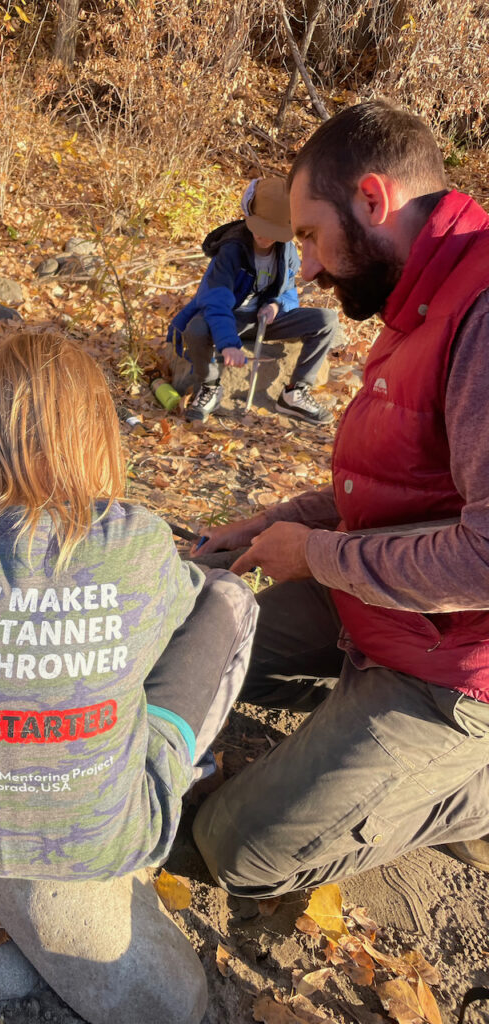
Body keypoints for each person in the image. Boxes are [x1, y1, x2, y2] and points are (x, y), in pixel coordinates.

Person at [190, 99, 489, 899]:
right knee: (192, 659)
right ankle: (352, 729)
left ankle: (464, 791)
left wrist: (316, 556)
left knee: (234, 849)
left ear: (373, 200)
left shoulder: (482, 312)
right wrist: (277, 522)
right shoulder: (423, 292)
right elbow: (408, 488)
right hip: (382, 610)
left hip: (458, 667)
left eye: (314, 238)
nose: (310, 268)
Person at [0, 329, 257, 876]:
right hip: (117, 842)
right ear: (99, 434)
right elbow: (187, 607)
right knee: (229, 594)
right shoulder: (139, 537)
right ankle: (177, 765)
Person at [167, 177, 339, 426]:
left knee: (327, 320)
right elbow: (215, 301)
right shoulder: (231, 250)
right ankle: (210, 386)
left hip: (263, 320)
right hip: (230, 319)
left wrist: (277, 304)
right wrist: (227, 344)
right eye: (261, 227)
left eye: (274, 231)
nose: (266, 237)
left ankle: (295, 392)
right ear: (249, 213)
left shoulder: (285, 249)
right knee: (196, 329)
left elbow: (289, 289)